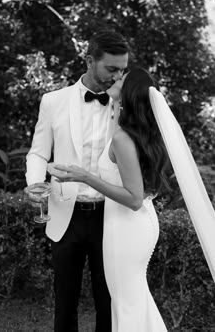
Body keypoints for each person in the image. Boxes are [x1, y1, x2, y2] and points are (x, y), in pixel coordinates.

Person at [53, 66, 215, 331]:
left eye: (123, 78)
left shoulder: (122, 138)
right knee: (132, 300)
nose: (117, 77)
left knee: (125, 302)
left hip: (127, 226)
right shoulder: (129, 131)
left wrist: (85, 177)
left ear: (129, 91)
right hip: (133, 224)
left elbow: (134, 198)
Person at [25, 29, 129, 332]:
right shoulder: (52, 101)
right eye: (111, 69)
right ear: (89, 61)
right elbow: (38, 153)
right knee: (65, 301)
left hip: (111, 217)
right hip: (64, 215)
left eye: (122, 69)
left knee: (108, 302)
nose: (118, 76)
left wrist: (121, 105)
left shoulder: (126, 104)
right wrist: (34, 183)